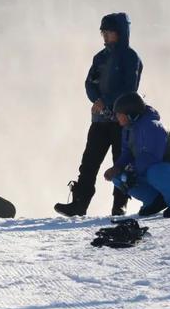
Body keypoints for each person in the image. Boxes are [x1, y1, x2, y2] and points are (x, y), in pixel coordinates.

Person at [55, 13, 143, 217]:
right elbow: (89, 83)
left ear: (120, 33)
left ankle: (119, 205)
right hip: (99, 120)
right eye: (103, 32)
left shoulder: (130, 57)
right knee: (89, 163)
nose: (105, 36)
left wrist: (107, 101)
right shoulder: (100, 57)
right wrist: (96, 100)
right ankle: (79, 204)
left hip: (121, 121)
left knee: (120, 162)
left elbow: (130, 87)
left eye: (109, 32)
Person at [104, 93, 170, 218]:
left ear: (131, 114)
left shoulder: (152, 126)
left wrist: (131, 170)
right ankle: (155, 200)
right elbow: (127, 153)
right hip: (150, 168)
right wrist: (117, 167)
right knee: (118, 177)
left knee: (154, 172)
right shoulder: (128, 129)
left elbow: (151, 157)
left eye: (120, 115)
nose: (118, 119)